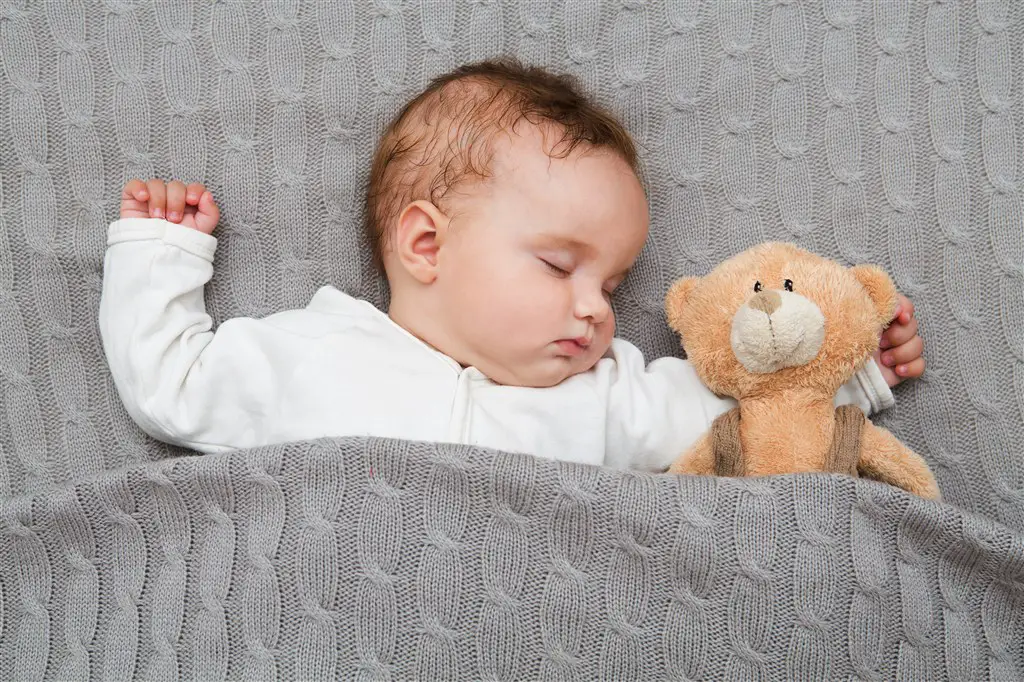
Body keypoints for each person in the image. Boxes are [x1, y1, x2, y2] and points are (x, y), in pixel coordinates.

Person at [99, 59, 924, 471]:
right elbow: (169, 382)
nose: (596, 309)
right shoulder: (306, 358)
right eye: (558, 265)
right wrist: (161, 252)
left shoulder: (609, 397)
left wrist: (856, 375)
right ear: (426, 245)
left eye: (611, 285)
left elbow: (750, 427)